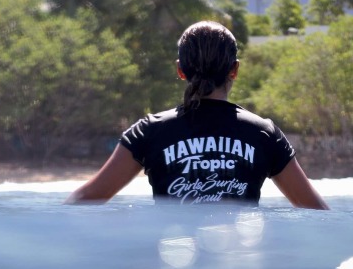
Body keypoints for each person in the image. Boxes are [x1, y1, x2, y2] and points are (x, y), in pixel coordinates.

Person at [65, 21, 329, 210]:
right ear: (234, 70)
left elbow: (85, 199)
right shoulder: (263, 133)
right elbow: (317, 212)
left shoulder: (150, 131)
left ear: (180, 71)